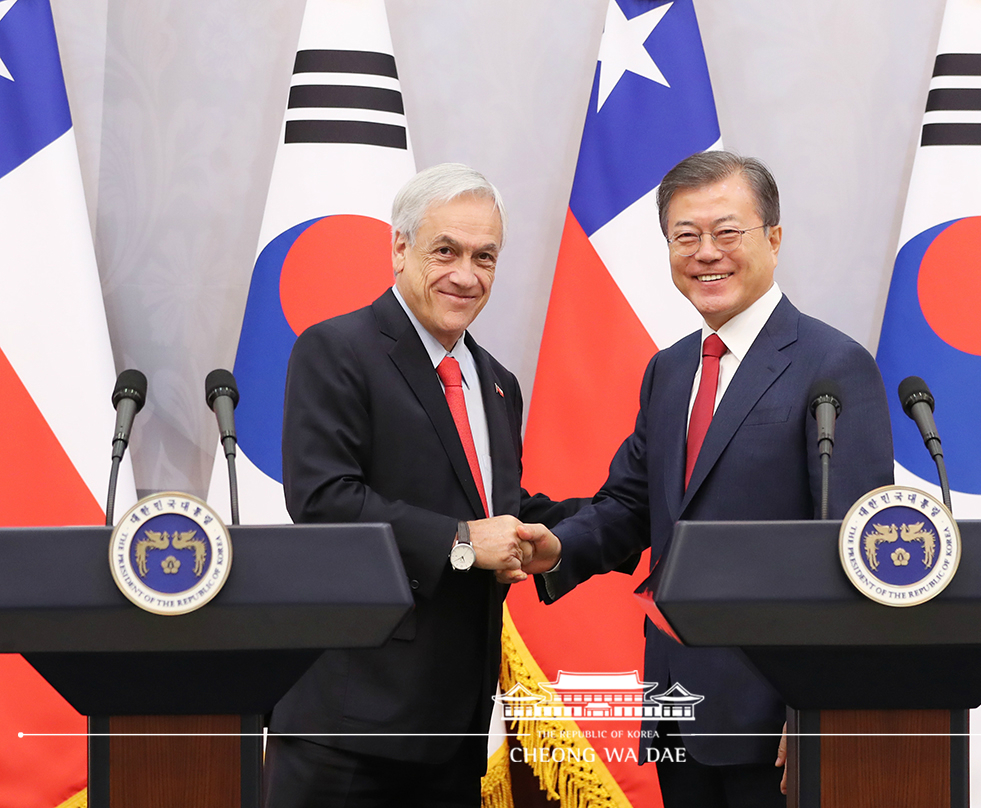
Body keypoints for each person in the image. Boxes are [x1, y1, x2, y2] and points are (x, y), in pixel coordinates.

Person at [517, 151, 895, 808]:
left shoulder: (833, 367)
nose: (705, 253)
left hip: (776, 711)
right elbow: (633, 505)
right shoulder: (669, 372)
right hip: (677, 702)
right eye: (685, 236)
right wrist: (557, 546)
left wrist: (816, 706)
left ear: (773, 240)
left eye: (727, 232)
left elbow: (856, 553)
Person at [265, 163, 576, 808]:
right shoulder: (337, 349)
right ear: (399, 248)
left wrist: (594, 525)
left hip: (452, 727)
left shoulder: (496, 383)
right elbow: (323, 499)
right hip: (351, 725)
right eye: (447, 251)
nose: (466, 274)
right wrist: (462, 543)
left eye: (485, 256)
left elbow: (495, 508)